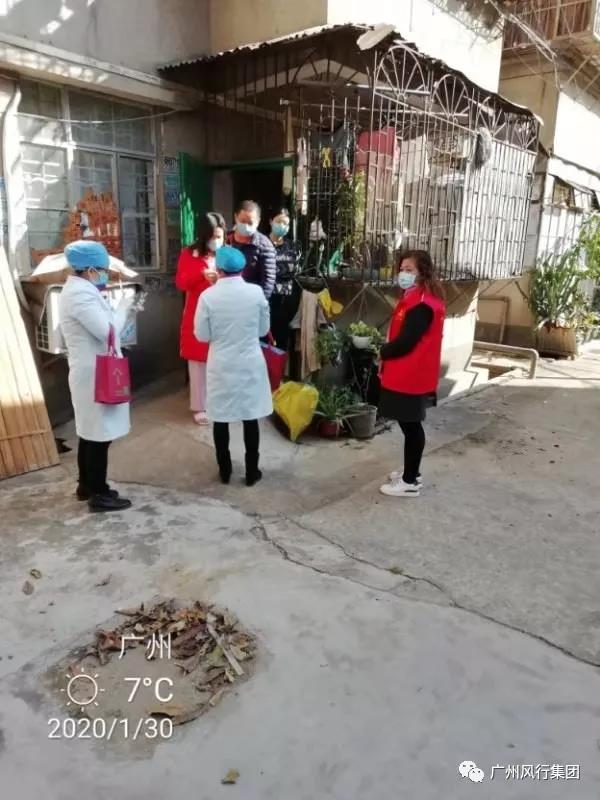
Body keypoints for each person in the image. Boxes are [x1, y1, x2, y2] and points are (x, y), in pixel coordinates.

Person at [58, 240, 136, 512]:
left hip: (91, 370)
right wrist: (124, 308)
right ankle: (99, 493)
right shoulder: (80, 296)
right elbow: (108, 332)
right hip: (94, 373)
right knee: (99, 435)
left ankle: (86, 486)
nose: (104, 274)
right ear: (90, 270)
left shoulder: (82, 291)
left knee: (90, 432)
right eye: (102, 269)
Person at [195, 245, 272, 486]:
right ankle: (252, 471)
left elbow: (202, 335)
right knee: (250, 417)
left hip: (221, 365)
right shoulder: (256, 293)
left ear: (218, 269)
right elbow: (263, 330)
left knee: (221, 417)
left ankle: (225, 471)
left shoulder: (207, 296)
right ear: (242, 268)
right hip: (250, 363)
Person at [377, 250, 445, 498]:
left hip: (411, 373)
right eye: (402, 269)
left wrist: (382, 351)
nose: (403, 274)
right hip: (408, 371)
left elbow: (406, 342)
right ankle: (411, 472)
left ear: (422, 272)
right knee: (409, 425)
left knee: (411, 426)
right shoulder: (416, 297)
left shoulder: (422, 304)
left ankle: (410, 481)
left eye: (409, 270)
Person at [175, 212, 224, 425]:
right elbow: (181, 282)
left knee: (219, 360)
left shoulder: (225, 253)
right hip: (197, 312)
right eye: (213, 236)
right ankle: (199, 406)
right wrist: (201, 275)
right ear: (204, 235)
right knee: (197, 361)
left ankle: (217, 401)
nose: (217, 241)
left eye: (220, 236)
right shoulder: (189, 254)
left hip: (221, 313)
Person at [268, 206, 301, 353]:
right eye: (279, 221)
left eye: (286, 223)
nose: (282, 226)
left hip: (286, 303)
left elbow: (295, 272)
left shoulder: (292, 246)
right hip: (267, 301)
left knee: (282, 344)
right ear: (271, 221)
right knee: (264, 342)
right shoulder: (262, 244)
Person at [229, 199, 276, 299]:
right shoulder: (225, 240)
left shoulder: (265, 245)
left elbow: (268, 282)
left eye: (250, 223)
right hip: (226, 299)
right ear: (235, 217)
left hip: (251, 300)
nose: (246, 226)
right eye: (242, 221)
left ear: (258, 222)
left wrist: (258, 303)